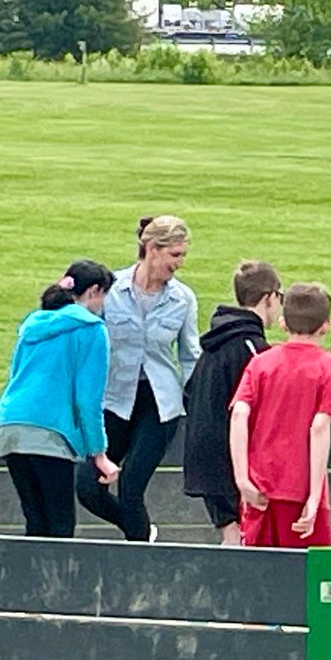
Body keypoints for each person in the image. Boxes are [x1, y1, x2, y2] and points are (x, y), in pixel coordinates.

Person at [76, 215, 201, 542]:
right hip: (114, 401)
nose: (179, 263)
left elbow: (190, 355)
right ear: (151, 249)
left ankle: (138, 554)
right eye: (175, 255)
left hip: (159, 407)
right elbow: (87, 340)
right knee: (88, 488)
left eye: (182, 255)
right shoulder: (111, 289)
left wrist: (197, 400)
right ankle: (143, 535)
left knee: (132, 485)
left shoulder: (183, 299)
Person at [0, 261, 121, 537]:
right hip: (51, 428)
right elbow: (88, 400)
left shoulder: (32, 325)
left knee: (36, 520)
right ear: (95, 291)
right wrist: (99, 453)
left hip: (11, 423)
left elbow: (17, 374)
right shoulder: (92, 330)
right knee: (60, 524)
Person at [229, 283, 331, 548]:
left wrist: (242, 480)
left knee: (258, 577)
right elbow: (319, 428)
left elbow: (239, 414)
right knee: (307, 578)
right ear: (326, 325)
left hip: (259, 489)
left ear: (283, 323)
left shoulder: (260, 362)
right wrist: (315, 497)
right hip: (300, 489)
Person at [183, 260, 283, 545]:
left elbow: (189, 393)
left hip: (203, 456)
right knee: (243, 538)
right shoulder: (252, 349)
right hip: (230, 460)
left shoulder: (215, 344)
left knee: (231, 535)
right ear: (269, 298)